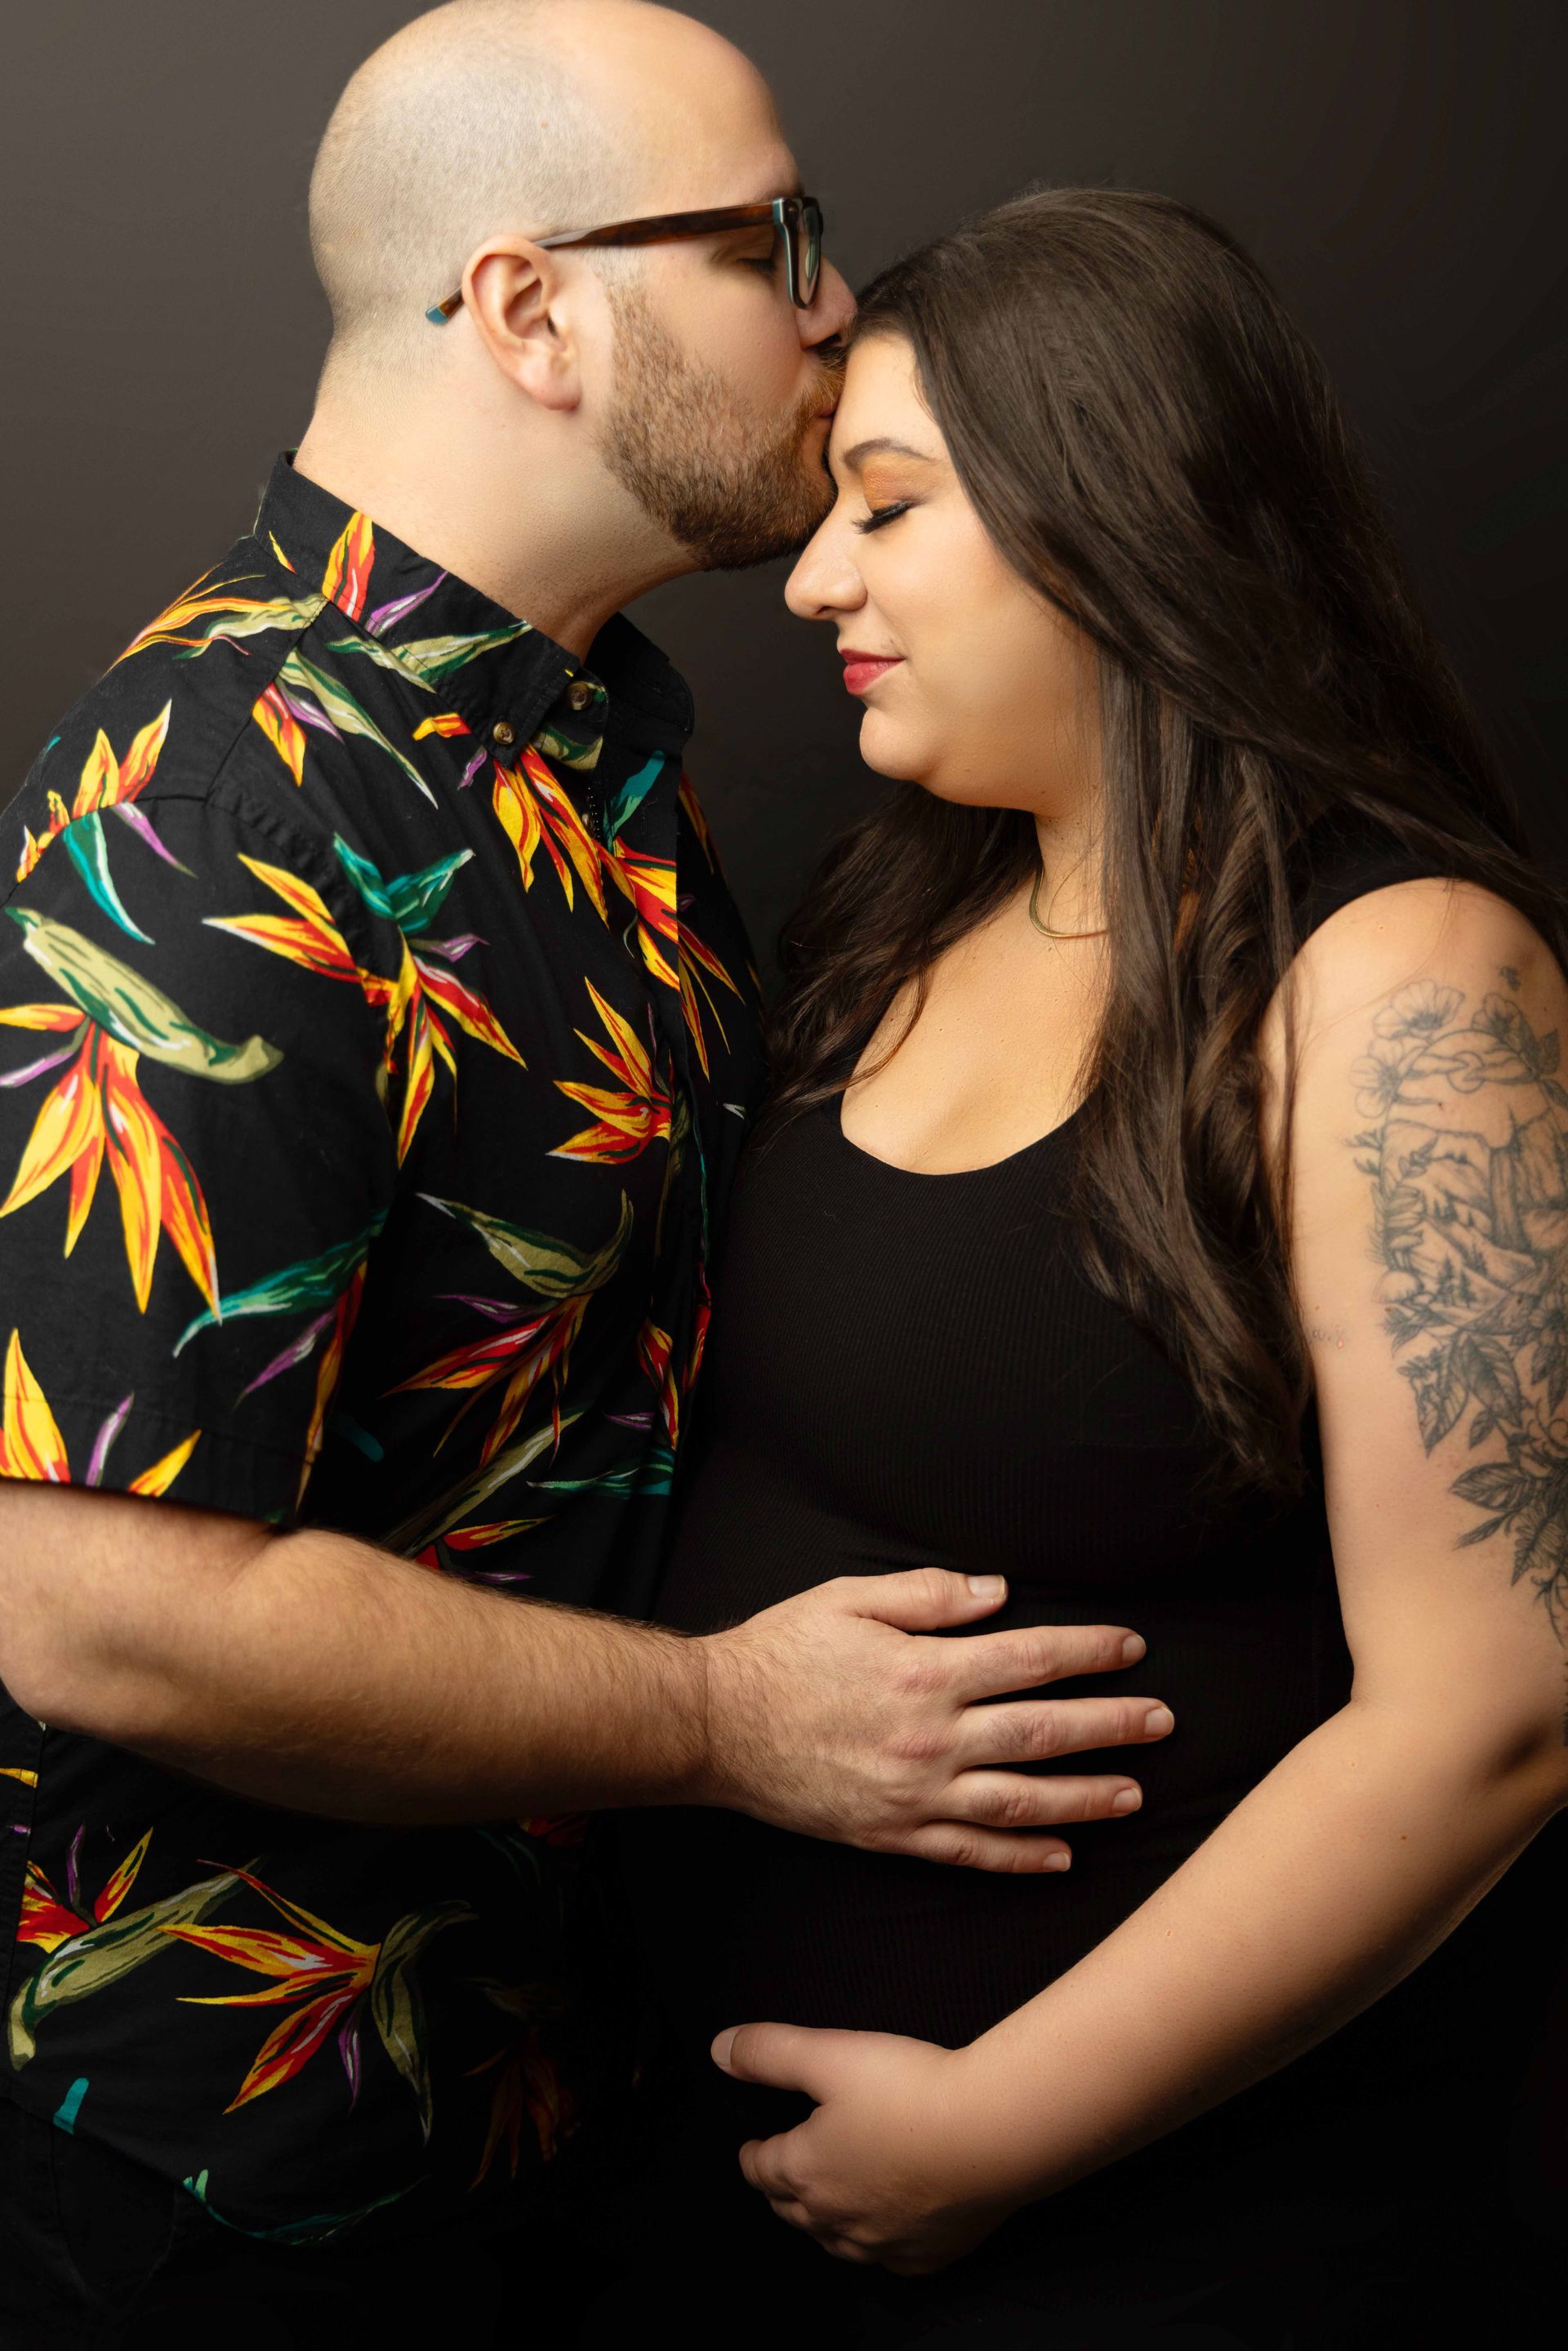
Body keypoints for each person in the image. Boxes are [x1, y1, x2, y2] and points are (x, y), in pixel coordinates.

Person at [0, 15, 1171, 2344]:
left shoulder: (599, 743)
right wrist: (741, 1724)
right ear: (533, 311)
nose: (827, 310)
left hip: (591, 2114)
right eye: (771, 247)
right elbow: (81, 1599)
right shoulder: (215, 813)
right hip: (252, 2188)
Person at [616, 187, 1568, 2346]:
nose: (814, 575)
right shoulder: (884, 922)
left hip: (1179, 2238)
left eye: (887, 504)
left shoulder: (1404, 986)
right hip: (722, 2213)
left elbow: (1496, 1713)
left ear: (1109, 514)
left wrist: (999, 2126)